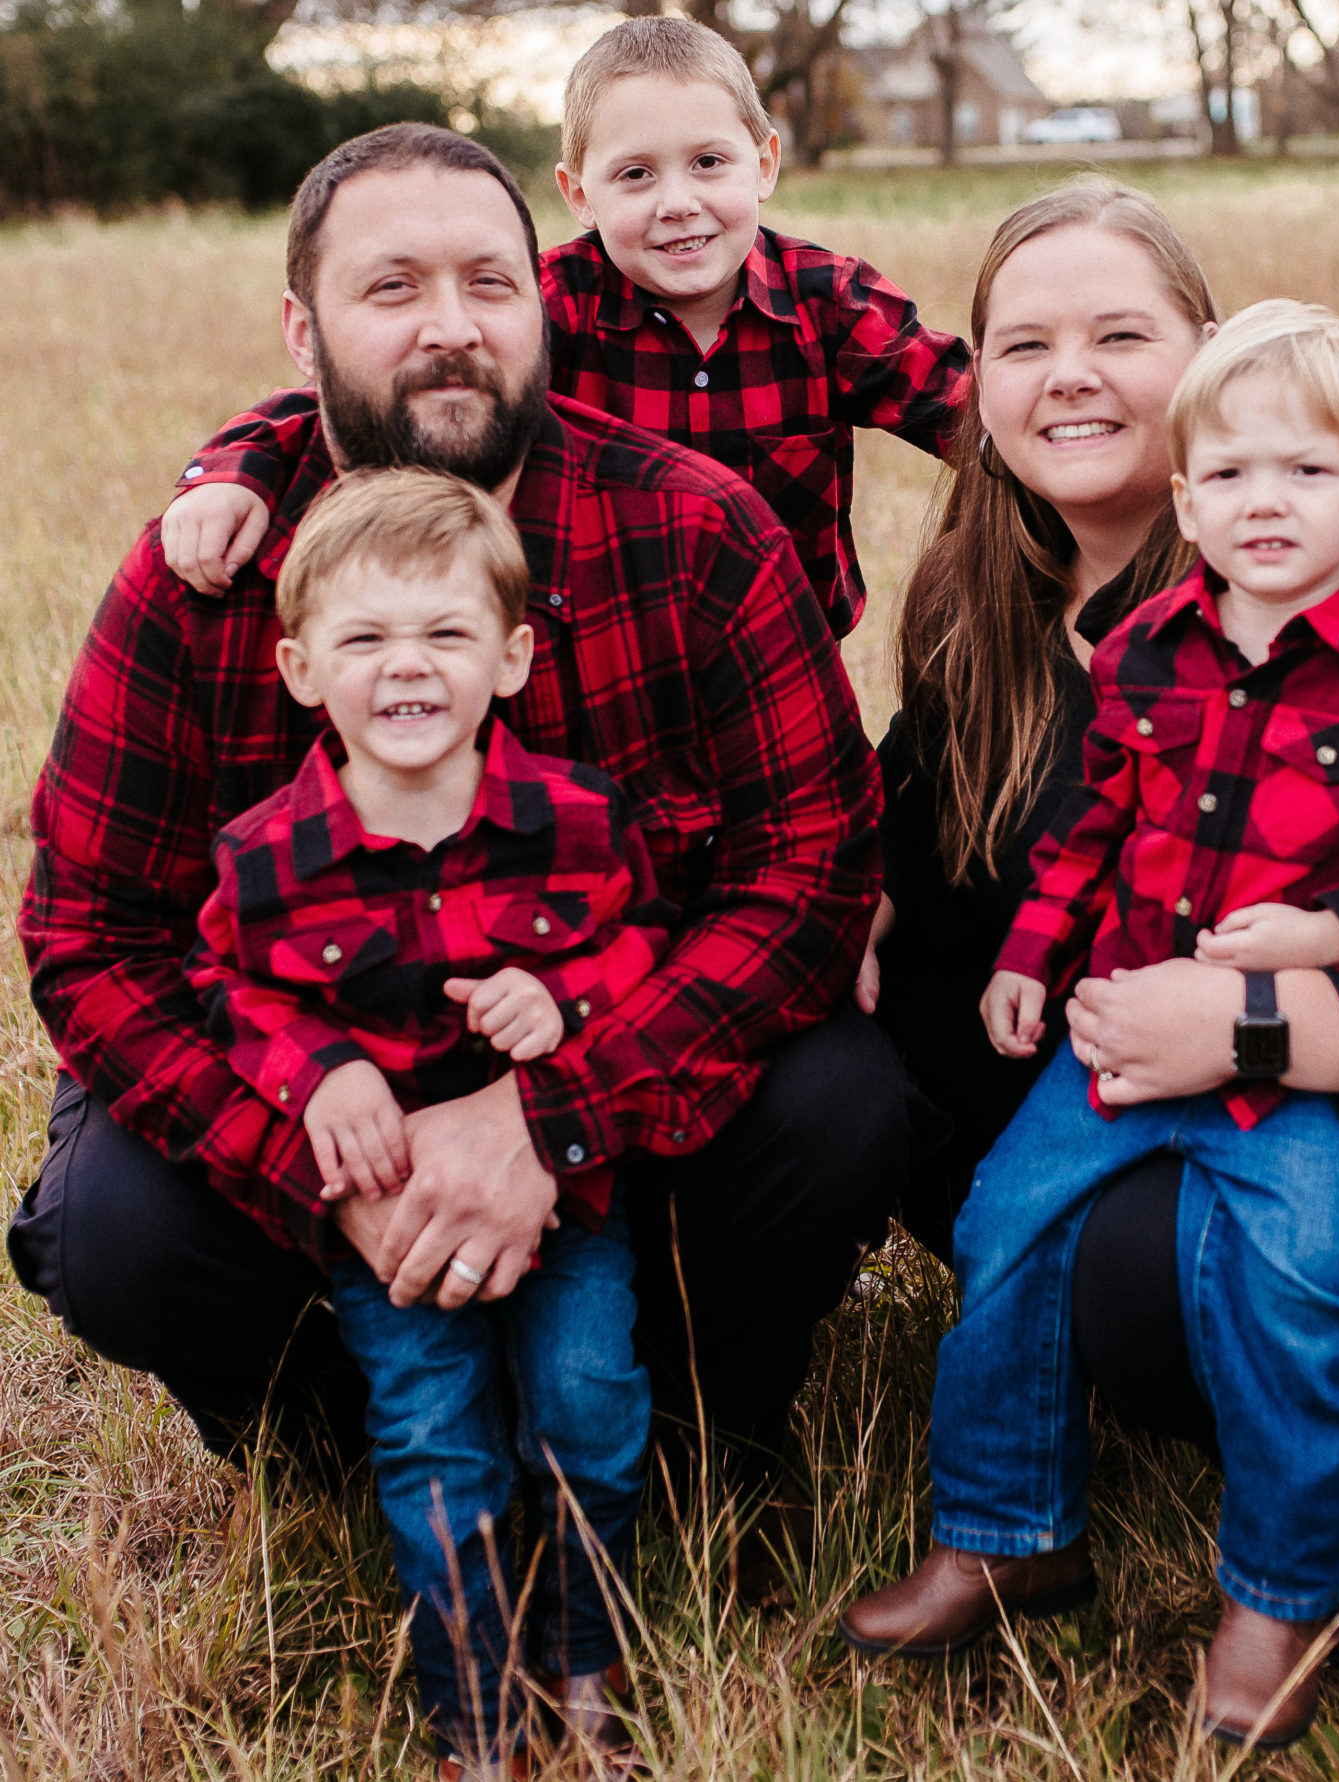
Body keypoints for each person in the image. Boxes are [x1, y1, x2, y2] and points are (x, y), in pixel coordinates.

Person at [11, 126, 900, 1610]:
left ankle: (697, 1427)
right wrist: (321, 1165)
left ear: (541, 299)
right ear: (303, 331)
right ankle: (346, 1442)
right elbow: (94, 935)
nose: (449, 323)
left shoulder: (690, 529)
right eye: (392, 285)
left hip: (614, 1094)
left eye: (490, 279)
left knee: (840, 1098)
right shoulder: (208, 577)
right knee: (111, 1225)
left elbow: (809, 875)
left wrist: (546, 1121)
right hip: (318, 1094)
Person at [858, 177, 1339, 1692]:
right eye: (1023, 344)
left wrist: (1269, 1011)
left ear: (1205, 352)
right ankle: (1010, 1525)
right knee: (994, 1174)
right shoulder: (982, 610)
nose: (1068, 372)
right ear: (979, 390)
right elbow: (932, 873)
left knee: (1165, 1257)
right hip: (1131, 1069)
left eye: (1120, 333)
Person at [184, 468, 662, 1777]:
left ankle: (583, 1665)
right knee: (439, 1448)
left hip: (568, 1198)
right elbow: (219, 986)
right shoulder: (267, 855)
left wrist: (562, 993)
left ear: (509, 657)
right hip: (388, 1213)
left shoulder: (575, 818)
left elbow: (646, 944)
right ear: (298, 667)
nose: (409, 668)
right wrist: (319, 1069)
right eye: (365, 637)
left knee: (590, 1410)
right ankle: (477, 1721)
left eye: (447, 634)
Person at [158, 13, 968, 641]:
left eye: (709, 163)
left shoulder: (829, 300)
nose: (677, 201)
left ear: (764, 162)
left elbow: (974, 414)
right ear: (578, 192)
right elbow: (387, 395)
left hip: (783, 646)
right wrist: (231, 469)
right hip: (586, 638)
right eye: (636, 174)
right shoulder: (549, 303)